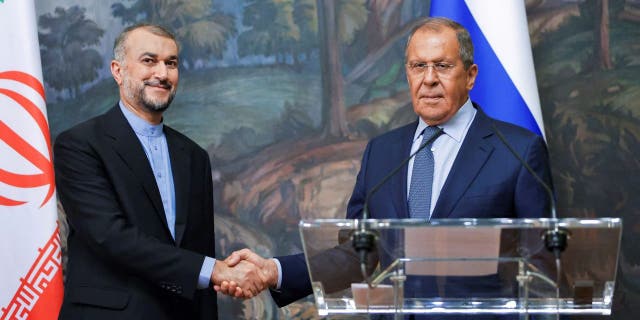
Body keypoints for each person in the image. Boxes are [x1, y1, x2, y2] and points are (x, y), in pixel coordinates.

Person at [217, 16, 553, 315]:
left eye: (443, 65)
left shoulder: (518, 151)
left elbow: (541, 270)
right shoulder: (382, 152)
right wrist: (273, 272)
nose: (429, 78)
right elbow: (355, 254)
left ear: (470, 75)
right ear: (407, 74)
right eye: (418, 66)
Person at [54, 23, 269, 320]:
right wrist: (216, 270)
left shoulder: (194, 156)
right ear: (118, 71)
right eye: (148, 60)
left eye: (171, 63)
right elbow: (110, 236)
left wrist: (213, 280)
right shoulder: (79, 145)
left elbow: (199, 249)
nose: (162, 73)